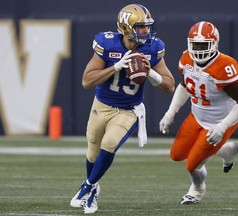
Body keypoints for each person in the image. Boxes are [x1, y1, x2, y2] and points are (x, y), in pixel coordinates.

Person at [70, 4, 175, 214]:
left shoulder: (153, 48)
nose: (146, 31)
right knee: (92, 152)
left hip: (128, 109)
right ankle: (93, 189)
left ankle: (87, 187)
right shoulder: (107, 44)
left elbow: (170, 85)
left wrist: (150, 73)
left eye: (147, 26)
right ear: (126, 28)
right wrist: (115, 67)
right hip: (101, 105)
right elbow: (86, 82)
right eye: (140, 27)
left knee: (109, 144)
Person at [159, 21, 238, 205]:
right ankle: (227, 150)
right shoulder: (186, 58)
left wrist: (223, 126)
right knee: (176, 155)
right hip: (196, 117)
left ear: (215, 43)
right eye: (196, 44)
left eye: (204, 44)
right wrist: (171, 112)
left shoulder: (226, 66)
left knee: (192, 164)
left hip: (220, 122)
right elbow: (185, 85)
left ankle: (197, 190)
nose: (199, 49)